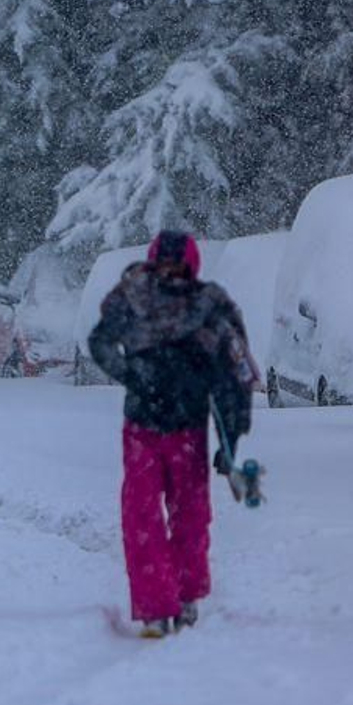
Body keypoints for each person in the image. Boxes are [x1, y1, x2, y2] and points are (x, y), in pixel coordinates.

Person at [88, 230, 255, 638]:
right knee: (141, 513)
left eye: (178, 268)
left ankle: (184, 597)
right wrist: (133, 375)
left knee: (190, 515)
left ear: (191, 268)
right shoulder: (131, 298)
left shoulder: (209, 307)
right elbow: (100, 342)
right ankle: (154, 605)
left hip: (188, 430)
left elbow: (235, 376)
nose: (170, 275)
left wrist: (231, 438)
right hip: (143, 427)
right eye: (164, 267)